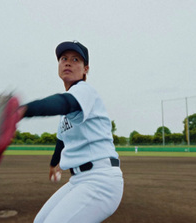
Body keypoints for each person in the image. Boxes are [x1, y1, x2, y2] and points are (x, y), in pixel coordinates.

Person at [19, 40, 124, 223]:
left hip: (100, 181)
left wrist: (21, 110)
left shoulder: (84, 91)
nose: (68, 62)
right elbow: (61, 140)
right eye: (63, 58)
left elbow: (63, 102)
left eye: (76, 59)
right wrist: (54, 164)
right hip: (79, 180)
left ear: (86, 69)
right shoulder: (67, 111)